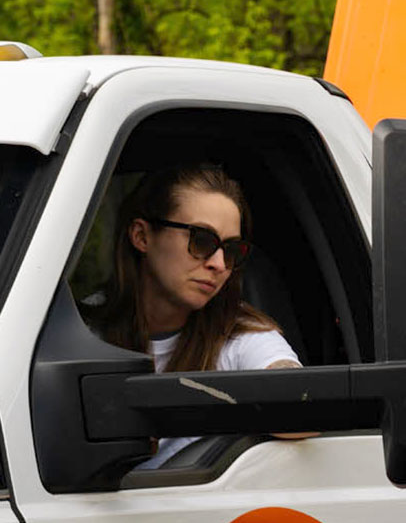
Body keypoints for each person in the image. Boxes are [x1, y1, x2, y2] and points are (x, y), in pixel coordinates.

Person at [86, 164, 301, 466]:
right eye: (201, 240)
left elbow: (302, 407)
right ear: (141, 236)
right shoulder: (82, 330)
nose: (219, 264)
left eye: (231, 250)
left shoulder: (240, 335)